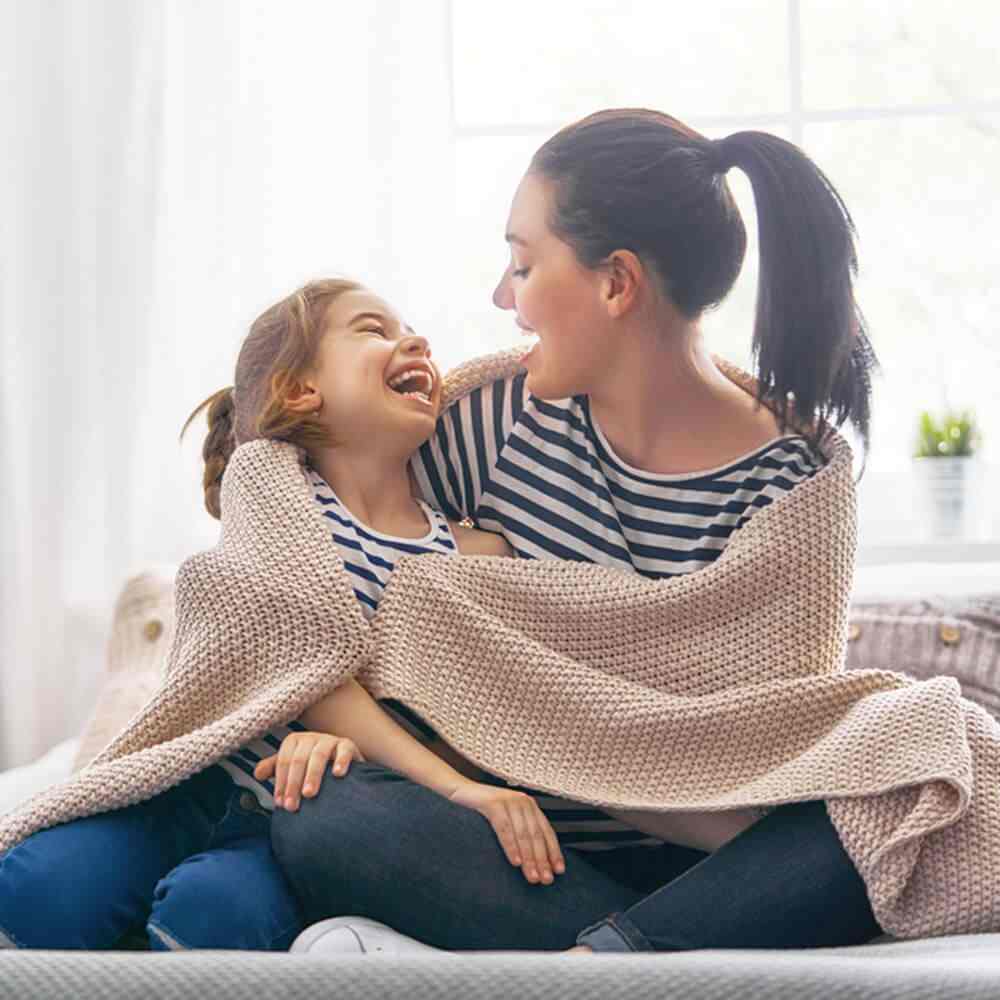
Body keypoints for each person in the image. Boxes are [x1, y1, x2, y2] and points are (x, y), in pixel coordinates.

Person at [264, 107, 886, 955]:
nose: (500, 296)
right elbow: (324, 561)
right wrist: (331, 720)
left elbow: (770, 756)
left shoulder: (797, 485)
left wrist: (577, 737)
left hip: (716, 868)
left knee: (902, 801)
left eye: (523, 264)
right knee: (327, 818)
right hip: (518, 857)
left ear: (615, 283)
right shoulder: (491, 424)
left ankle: (597, 962)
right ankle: (627, 959)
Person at [0, 276, 559, 952]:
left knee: (211, 916)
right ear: (301, 392)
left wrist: (377, 767)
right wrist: (444, 784)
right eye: (373, 329)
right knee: (36, 887)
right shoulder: (269, 484)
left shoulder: (477, 554)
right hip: (191, 789)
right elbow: (298, 655)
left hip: (290, 827)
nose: (414, 340)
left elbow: (478, 717)